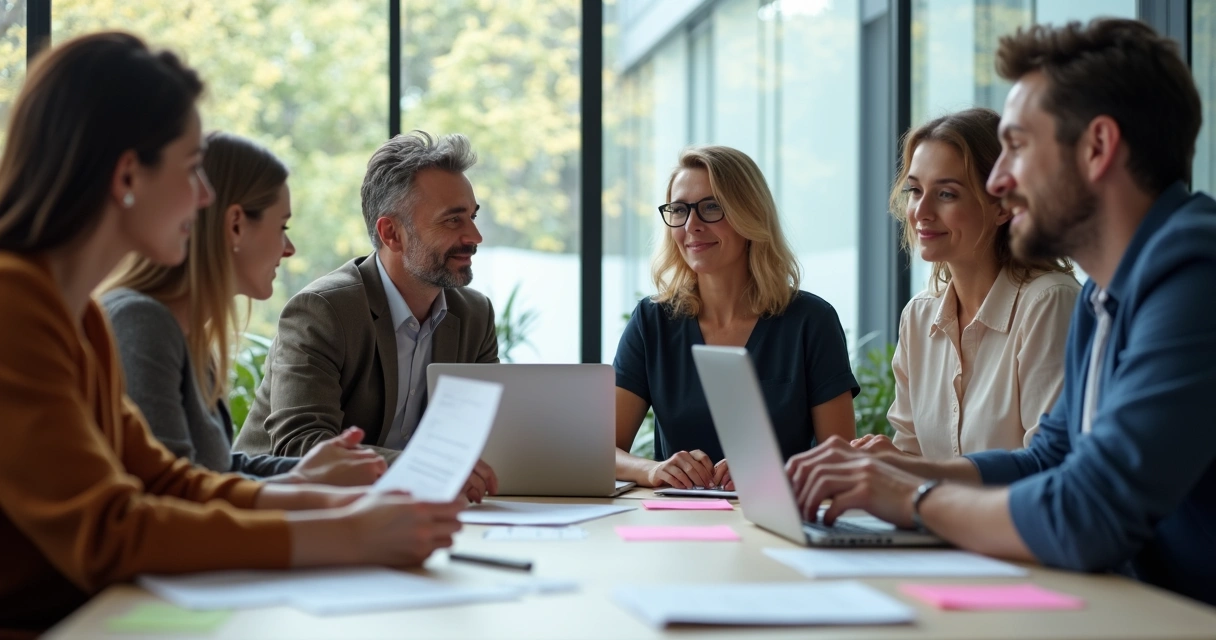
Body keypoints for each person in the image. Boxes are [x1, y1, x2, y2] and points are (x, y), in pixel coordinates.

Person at [0, 32, 462, 635]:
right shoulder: (14, 303)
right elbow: (111, 531)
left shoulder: (81, 316)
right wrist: (341, 533)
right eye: (192, 169)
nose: (205, 197)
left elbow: (168, 481)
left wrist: (330, 503)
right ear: (127, 176)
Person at [785, 18, 1216, 606]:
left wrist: (911, 500)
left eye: (1016, 146)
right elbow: (1049, 458)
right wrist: (895, 474)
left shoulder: (1195, 272)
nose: (1001, 180)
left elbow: (1087, 510)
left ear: (1097, 147)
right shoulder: (1103, 297)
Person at [100, 132, 385, 486]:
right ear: (235, 225)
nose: (289, 248)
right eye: (282, 227)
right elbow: (172, 495)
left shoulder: (183, 335)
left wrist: (310, 470)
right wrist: (307, 483)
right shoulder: (141, 323)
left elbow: (214, 469)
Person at [233, 131, 500, 503]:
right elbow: (300, 447)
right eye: (453, 221)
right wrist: (424, 468)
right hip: (287, 514)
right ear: (391, 233)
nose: (475, 236)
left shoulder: (474, 315)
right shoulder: (322, 311)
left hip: (405, 511)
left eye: (471, 216)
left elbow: (483, 436)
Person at [613, 145, 859, 490]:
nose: (691, 225)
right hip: (676, 522)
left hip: (778, 521)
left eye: (711, 207)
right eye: (679, 210)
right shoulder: (652, 322)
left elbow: (842, 458)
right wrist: (651, 470)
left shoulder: (811, 321)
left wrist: (772, 474)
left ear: (750, 215)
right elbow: (603, 449)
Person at [852, 108, 1079, 459]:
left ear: (1004, 206)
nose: (921, 211)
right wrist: (885, 463)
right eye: (915, 190)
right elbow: (913, 457)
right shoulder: (919, 316)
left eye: (946, 194)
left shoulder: (1049, 303)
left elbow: (1051, 467)